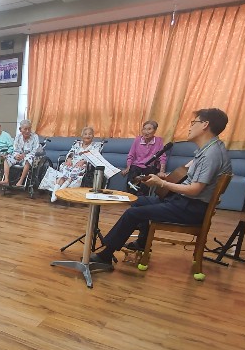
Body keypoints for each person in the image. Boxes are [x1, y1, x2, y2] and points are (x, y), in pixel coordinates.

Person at [90, 108, 233, 268]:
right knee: (138, 201)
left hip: (190, 208)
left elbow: (194, 189)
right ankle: (142, 243)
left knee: (133, 213)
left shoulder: (210, 154)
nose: (190, 127)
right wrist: (163, 178)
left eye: (194, 122)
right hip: (185, 202)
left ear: (205, 125)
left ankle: (106, 255)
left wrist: (162, 183)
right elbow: (188, 175)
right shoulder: (210, 148)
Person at [50, 126, 99, 202]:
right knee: (64, 169)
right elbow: (71, 152)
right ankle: (55, 193)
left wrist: (84, 161)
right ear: (82, 136)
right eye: (85, 134)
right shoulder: (77, 144)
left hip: (82, 165)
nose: (87, 136)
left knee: (75, 171)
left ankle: (59, 192)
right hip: (72, 162)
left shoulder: (95, 146)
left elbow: (95, 157)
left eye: (90, 134)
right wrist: (69, 159)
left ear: (93, 136)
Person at [123, 120, 166, 194]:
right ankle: (130, 196)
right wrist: (128, 167)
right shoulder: (137, 140)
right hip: (137, 165)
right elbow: (131, 155)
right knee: (132, 174)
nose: (146, 132)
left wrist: (162, 171)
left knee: (146, 179)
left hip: (150, 166)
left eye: (149, 129)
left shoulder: (158, 141)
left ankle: (142, 198)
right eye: (144, 129)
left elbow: (162, 156)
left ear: (155, 130)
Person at [1, 119, 43, 188]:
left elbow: (35, 151)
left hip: (32, 157)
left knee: (28, 159)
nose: (27, 131)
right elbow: (15, 149)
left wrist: (24, 156)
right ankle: (6, 180)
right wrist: (16, 155)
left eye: (29, 129)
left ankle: (20, 181)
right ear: (20, 129)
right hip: (19, 157)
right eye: (25, 129)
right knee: (7, 158)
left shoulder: (35, 137)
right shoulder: (18, 137)